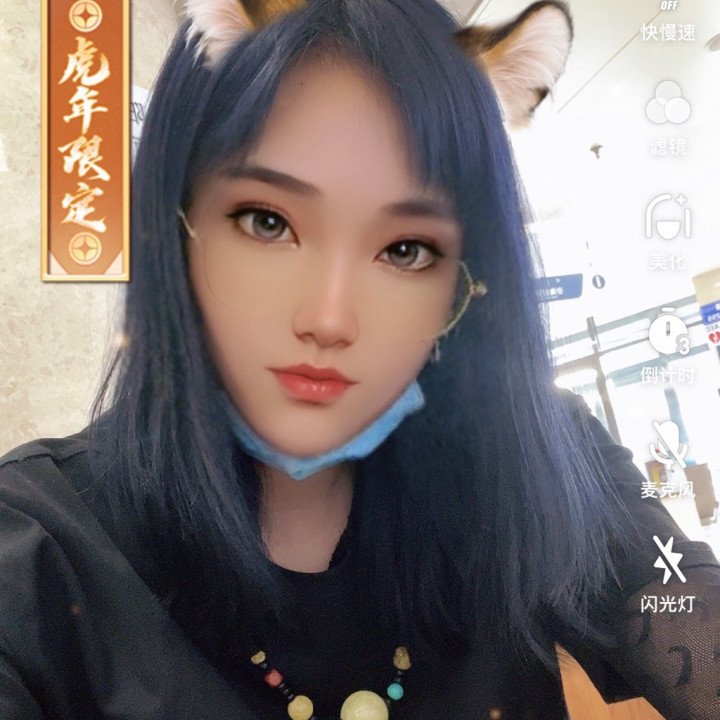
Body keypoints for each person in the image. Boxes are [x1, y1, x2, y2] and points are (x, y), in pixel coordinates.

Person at [1, 0, 719, 718]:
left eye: (405, 250)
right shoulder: (40, 550)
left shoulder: (546, 460)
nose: (329, 318)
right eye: (267, 222)